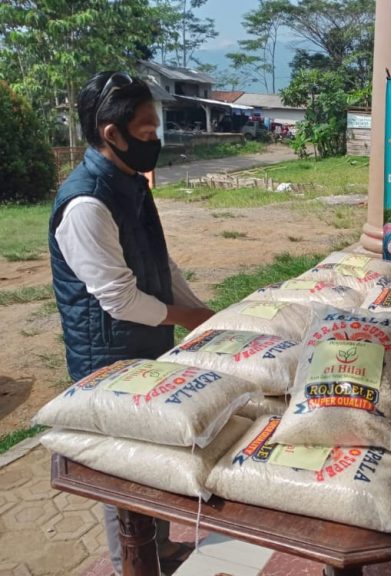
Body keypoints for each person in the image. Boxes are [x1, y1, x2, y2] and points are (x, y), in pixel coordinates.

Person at [49, 71, 215, 575]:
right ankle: (132, 565)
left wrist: (204, 314)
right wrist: (188, 317)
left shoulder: (127, 185)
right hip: (109, 357)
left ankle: (160, 548)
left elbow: (159, 266)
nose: (156, 138)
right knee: (124, 471)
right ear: (110, 133)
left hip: (147, 342)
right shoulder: (85, 204)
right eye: (146, 129)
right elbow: (118, 299)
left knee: (156, 453)